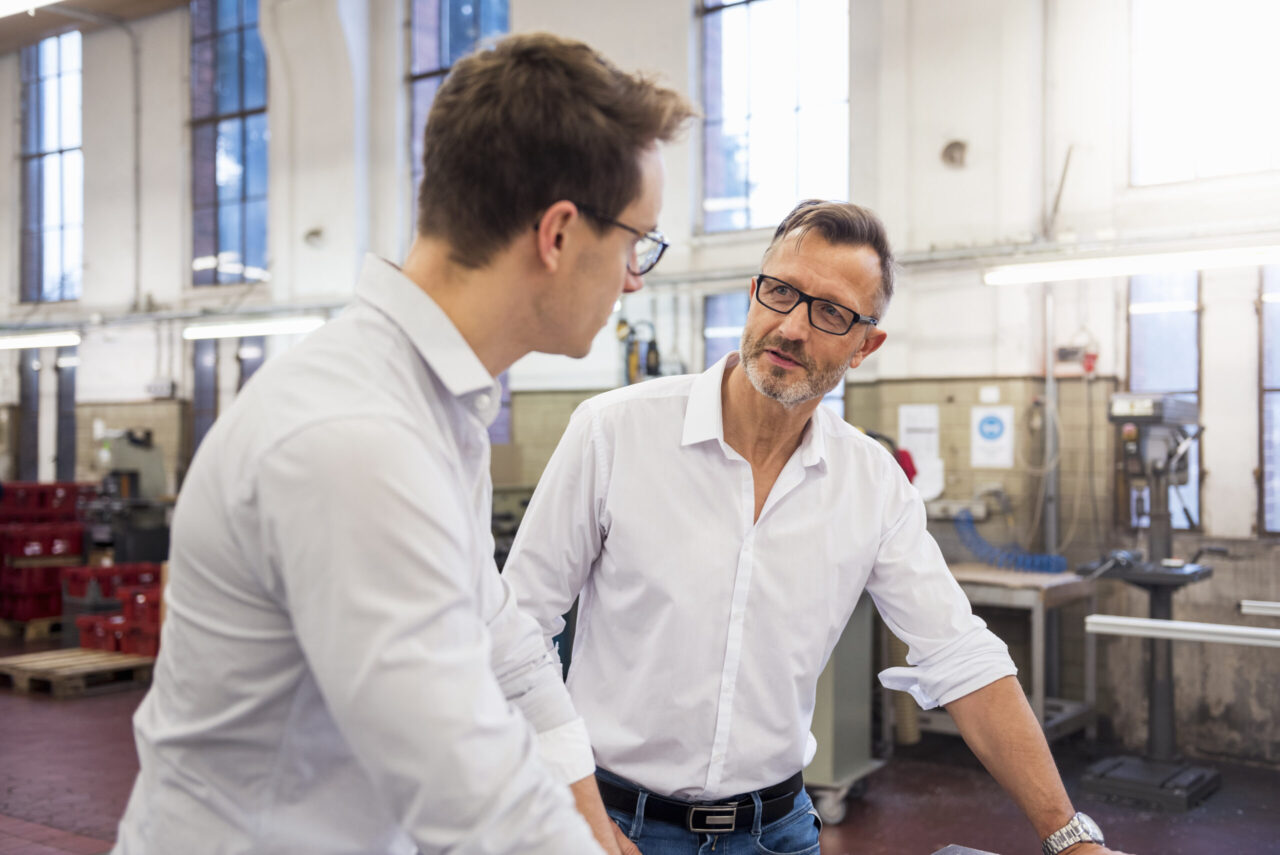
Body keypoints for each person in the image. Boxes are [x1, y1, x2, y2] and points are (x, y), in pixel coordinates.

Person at [112, 33, 693, 855]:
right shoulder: (353, 438)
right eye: (637, 240)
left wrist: (591, 823)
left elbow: (506, 647)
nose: (636, 275)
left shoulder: (438, 407)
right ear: (558, 235)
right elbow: (469, 792)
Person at [504, 200, 1135, 855]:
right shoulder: (613, 432)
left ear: (866, 345)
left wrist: (1070, 837)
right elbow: (517, 627)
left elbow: (961, 656)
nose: (791, 327)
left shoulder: (871, 483)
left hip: (777, 832)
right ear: (754, 292)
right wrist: (582, 820)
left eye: (830, 311)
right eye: (779, 292)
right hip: (612, 820)